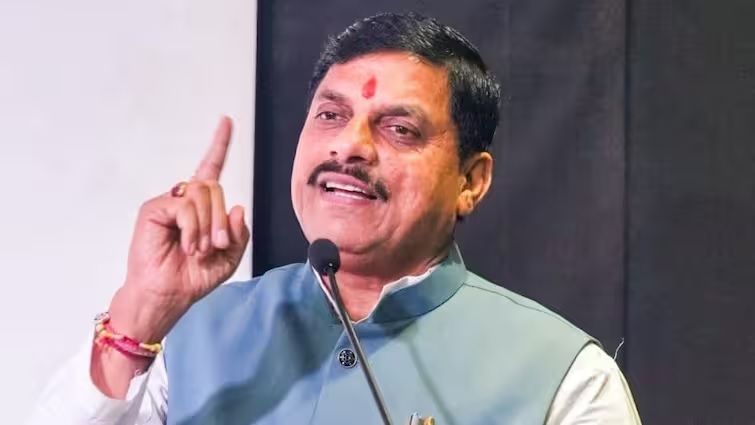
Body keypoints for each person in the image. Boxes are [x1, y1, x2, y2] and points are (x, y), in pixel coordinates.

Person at [28, 12, 641, 425]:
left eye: (399, 129)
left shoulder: (564, 381)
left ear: (470, 182)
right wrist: (139, 314)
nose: (350, 146)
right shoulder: (193, 340)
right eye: (330, 115)